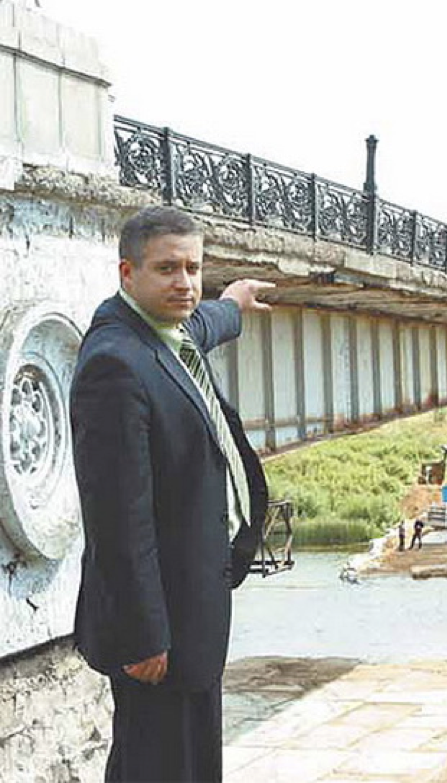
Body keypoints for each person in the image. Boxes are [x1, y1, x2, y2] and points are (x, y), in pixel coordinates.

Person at [70, 206, 274, 782]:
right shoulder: (115, 365)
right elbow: (117, 518)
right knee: (157, 765)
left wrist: (232, 304)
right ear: (126, 273)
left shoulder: (168, 331)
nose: (184, 283)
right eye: (167, 269)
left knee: (190, 762)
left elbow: (204, 322)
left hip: (195, 602)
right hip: (159, 627)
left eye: (193, 268)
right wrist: (143, 637)